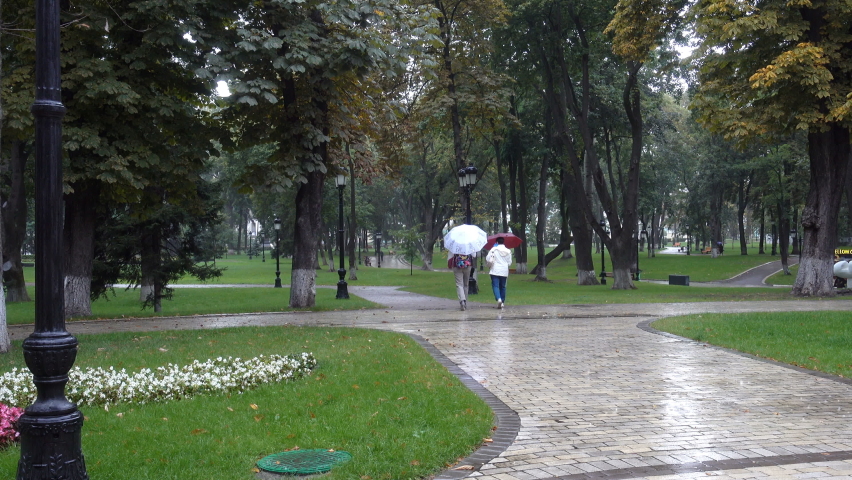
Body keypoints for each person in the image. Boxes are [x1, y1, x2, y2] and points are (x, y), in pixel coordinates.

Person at [486, 237, 512, 309]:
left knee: (495, 285)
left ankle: (499, 299)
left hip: (495, 270)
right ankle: (502, 302)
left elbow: (488, 259)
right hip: (504, 271)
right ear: (503, 242)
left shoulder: (493, 250)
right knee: (503, 286)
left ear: (497, 242)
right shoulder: (508, 251)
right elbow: (509, 263)